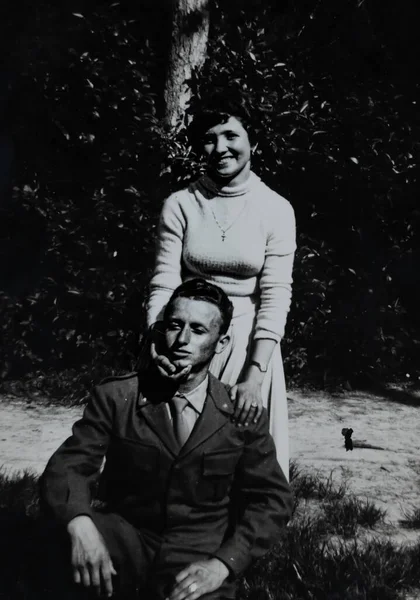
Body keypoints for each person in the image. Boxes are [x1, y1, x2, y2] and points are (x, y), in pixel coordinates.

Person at [39, 279, 293, 600]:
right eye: (175, 325)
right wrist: (79, 523)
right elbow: (69, 466)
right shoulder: (120, 396)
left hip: (197, 552)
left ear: (221, 342)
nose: (182, 339)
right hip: (128, 538)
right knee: (62, 558)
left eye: (199, 330)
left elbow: (273, 500)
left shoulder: (238, 414)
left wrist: (223, 564)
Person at [146, 93, 296, 478]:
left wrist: (255, 372)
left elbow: (275, 294)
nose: (220, 148)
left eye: (231, 135)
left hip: (246, 340)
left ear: (253, 142)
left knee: (245, 453)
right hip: (188, 335)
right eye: (209, 138)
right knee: (178, 452)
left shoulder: (276, 209)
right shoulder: (180, 204)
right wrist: (157, 341)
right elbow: (164, 281)